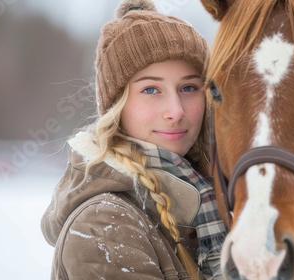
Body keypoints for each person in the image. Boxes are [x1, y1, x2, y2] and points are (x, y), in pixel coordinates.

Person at [41, 0, 227, 279]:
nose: (176, 111)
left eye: (188, 87)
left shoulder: (226, 195)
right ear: (117, 106)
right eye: (151, 89)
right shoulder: (103, 226)